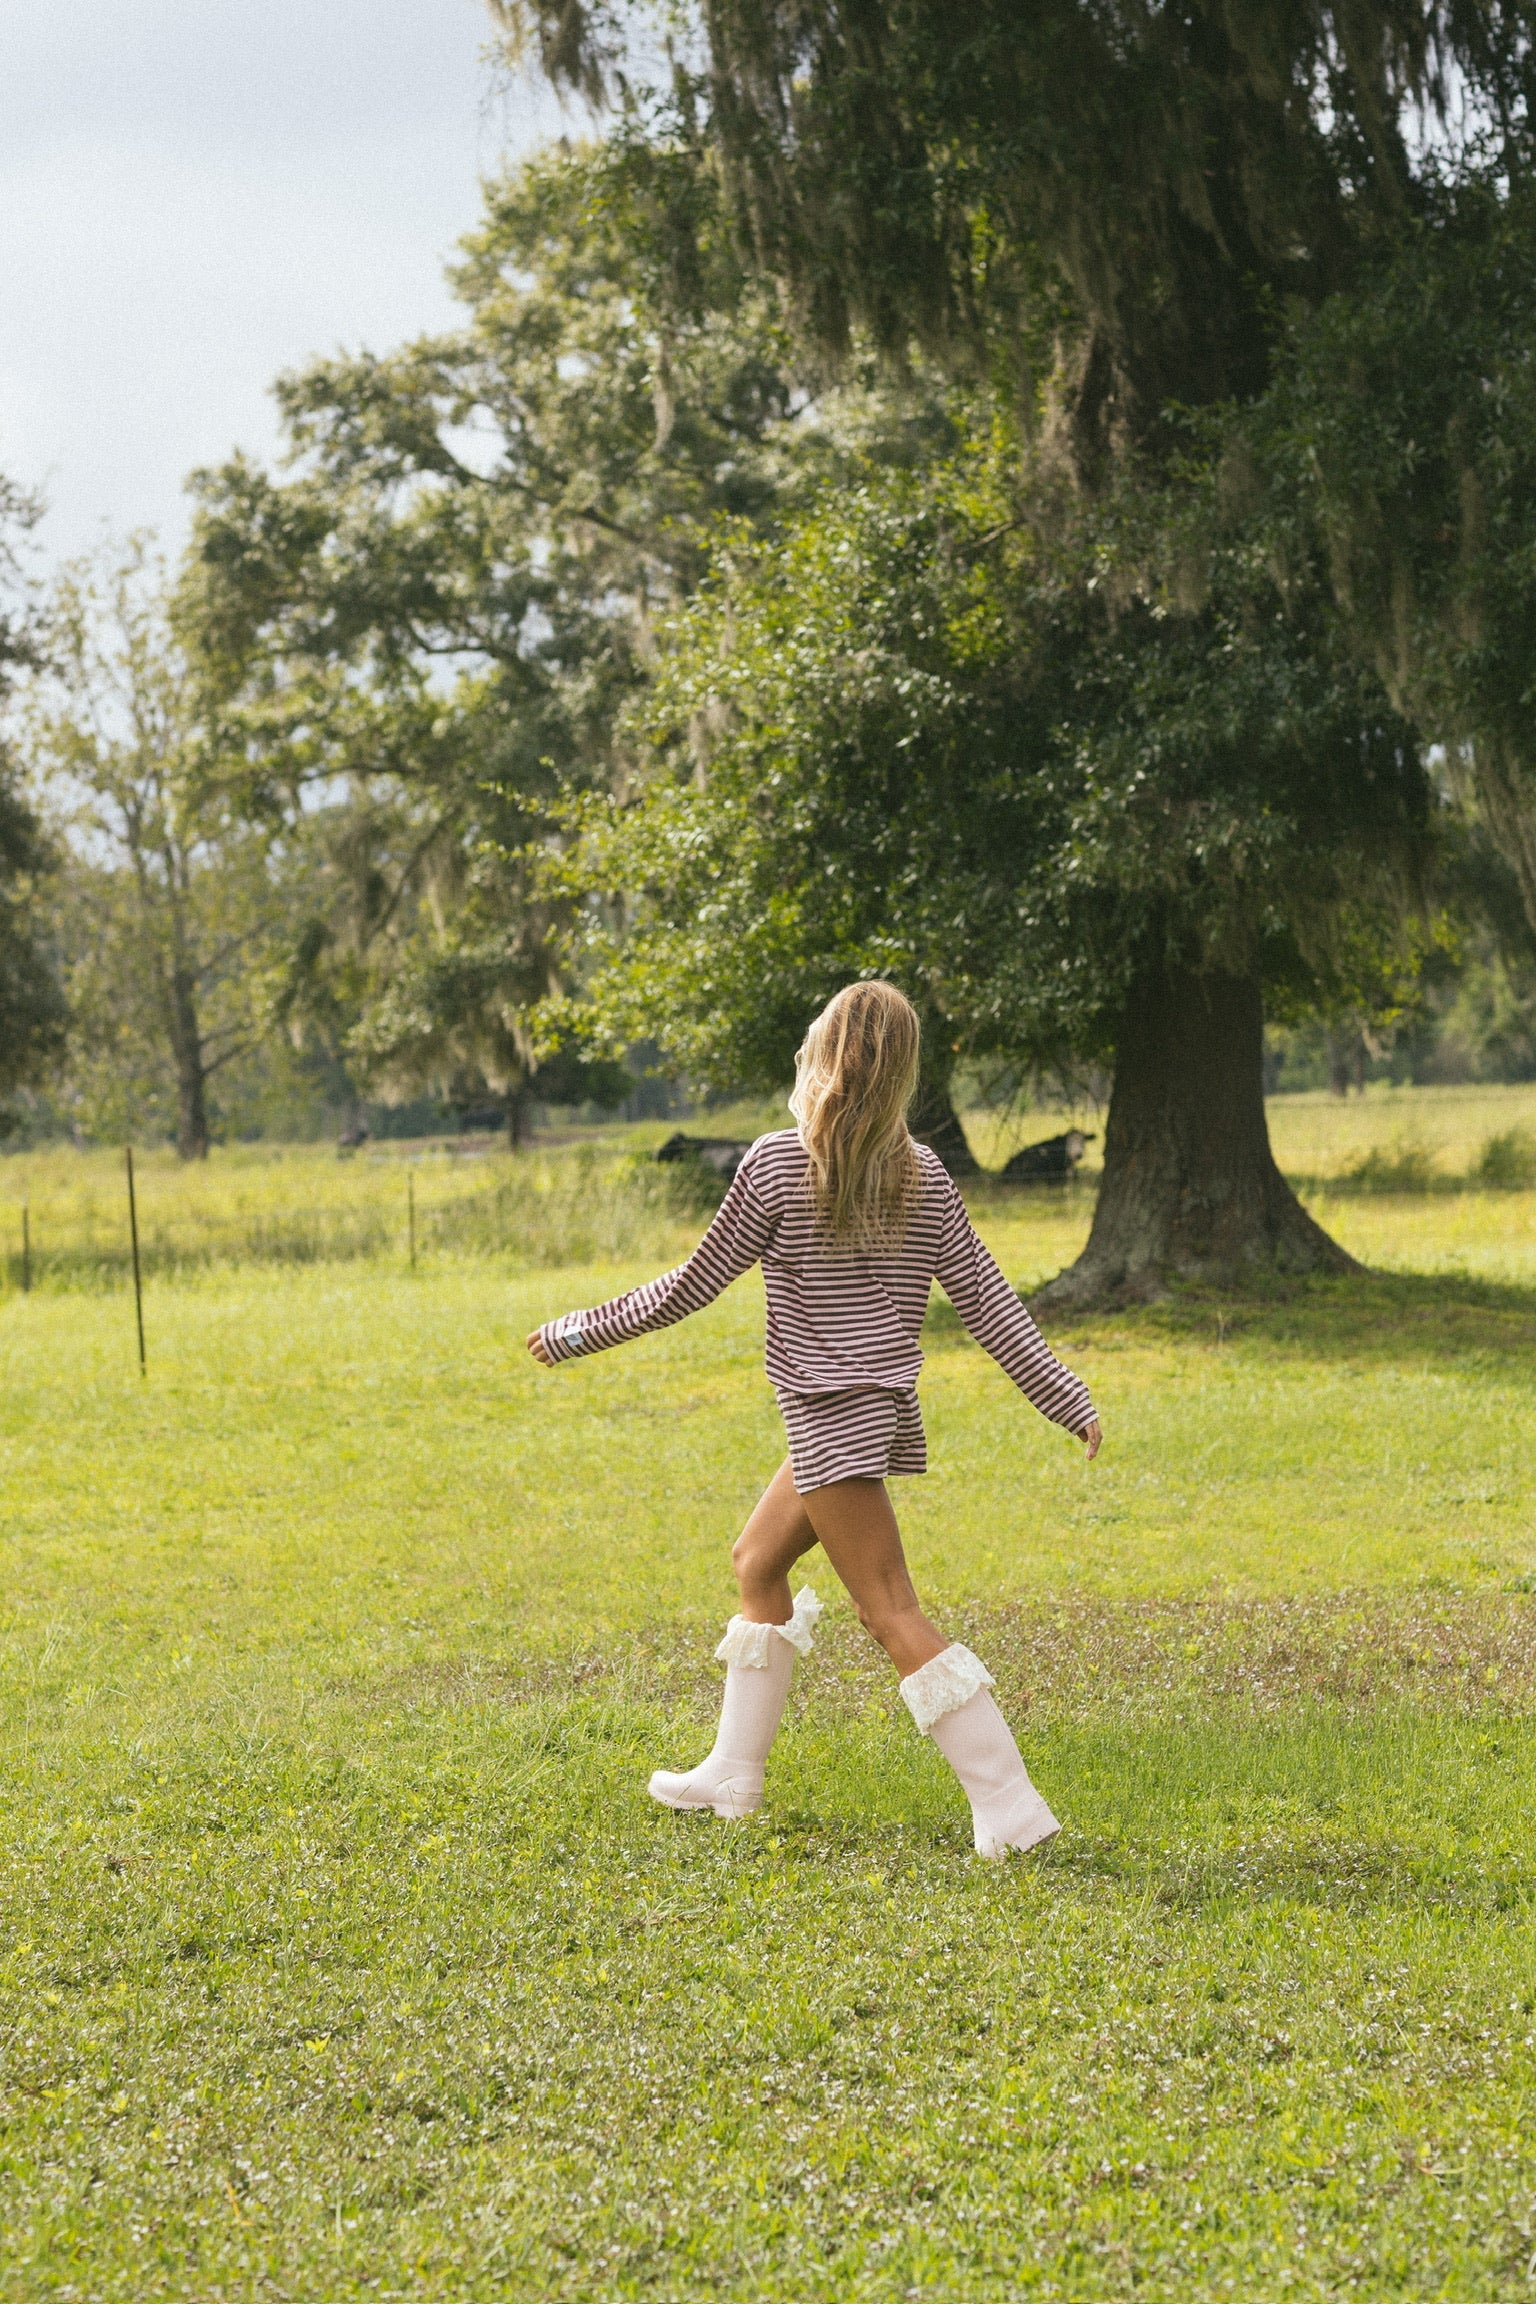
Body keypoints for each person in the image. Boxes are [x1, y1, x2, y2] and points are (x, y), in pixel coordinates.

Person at [526, 982, 1102, 1858]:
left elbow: (687, 1288)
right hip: (858, 1416)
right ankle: (731, 1772)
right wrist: (1065, 1395)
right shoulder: (921, 1170)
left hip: (829, 1423)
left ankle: (1012, 1810)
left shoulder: (776, 1161)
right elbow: (989, 1304)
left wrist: (573, 1331)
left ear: (824, 1052)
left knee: (891, 1611)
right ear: (903, 1070)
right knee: (757, 1561)